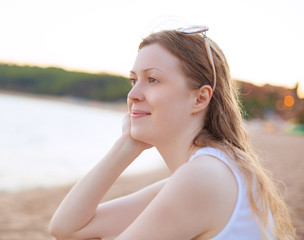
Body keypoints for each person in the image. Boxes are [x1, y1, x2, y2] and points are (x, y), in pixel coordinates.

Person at [49, 26, 295, 239]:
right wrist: (127, 145)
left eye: (152, 79)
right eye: (133, 80)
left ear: (199, 99)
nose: (133, 94)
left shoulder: (202, 177)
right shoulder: (209, 170)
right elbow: (66, 229)